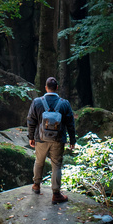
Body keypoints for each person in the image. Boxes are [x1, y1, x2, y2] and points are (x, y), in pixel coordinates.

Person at [27, 76, 76, 204]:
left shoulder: (37, 102)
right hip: (58, 140)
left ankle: (36, 185)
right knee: (56, 165)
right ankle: (56, 194)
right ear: (57, 88)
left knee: (39, 161)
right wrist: (72, 140)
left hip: (40, 139)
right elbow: (70, 123)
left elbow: (31, 120)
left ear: (45, 88)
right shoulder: (64, 103)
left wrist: (31, 137)